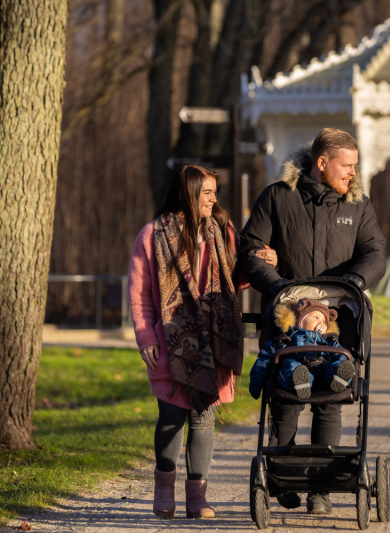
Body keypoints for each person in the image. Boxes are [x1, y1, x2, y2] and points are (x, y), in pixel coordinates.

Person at [239, 128, 386, 515]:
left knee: (330, 399)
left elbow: (374, 252)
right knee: (286, 397)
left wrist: (356, 280)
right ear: (322, 164)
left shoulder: (357, 206)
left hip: (338, 321)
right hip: (287, 318)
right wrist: (278, 287)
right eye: (347, 165)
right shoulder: (278, 198)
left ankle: (320, 489)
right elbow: (251, 250)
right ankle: (281, 479)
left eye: (355, 165)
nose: (353, 173)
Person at [128, 165, 277, 519]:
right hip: (170, 339)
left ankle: (197, 498)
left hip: (214, 338)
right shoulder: (152, 235)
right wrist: (146, 336)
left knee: (204, 417)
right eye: (207, 192)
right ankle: (163, 490)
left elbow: (236, 276)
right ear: (188, 193)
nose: (213, 199)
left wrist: (263, 259)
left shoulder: (222, 230)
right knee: (171, 414)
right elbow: (139, 293)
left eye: (214, 192)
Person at [249, 298, 355, 400]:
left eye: (324, 321)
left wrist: (343, 364)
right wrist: (256, 380)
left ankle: (337, 377)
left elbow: (343, 356)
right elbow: (264, 359)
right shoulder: (287, 339)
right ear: (300, 320)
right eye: (316, 318)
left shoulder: (329, 342)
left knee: (337, 364)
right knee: (289, 364)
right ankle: (301, 382)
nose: (321, 323)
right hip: (296, 373)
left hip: (323, 374)